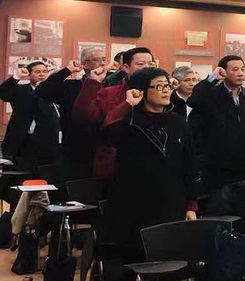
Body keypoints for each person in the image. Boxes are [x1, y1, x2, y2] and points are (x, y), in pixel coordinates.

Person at [99, 67, 200, 281]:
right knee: (137, 280)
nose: (166, 90)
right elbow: (107, 136)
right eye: (159, 86)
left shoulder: (178, 122)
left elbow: (189, 165)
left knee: (164, 276)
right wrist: (126, 106)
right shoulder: (130, 121)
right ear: (141, 91)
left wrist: (191, 204)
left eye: (168, 85)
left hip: (170, 209)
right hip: (133, 212)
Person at [72, 47, 155, 179]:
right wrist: (93, 82)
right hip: (116, 167)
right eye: (141, 64)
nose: (147, 68)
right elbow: (83, 117)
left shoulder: (161, 94)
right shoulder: (110, 93)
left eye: (151, 63)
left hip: (153, 166)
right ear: (126, 68)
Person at [187, 56, 245, 194]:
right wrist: (213, 78)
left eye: (242, 69)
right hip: (215, 165)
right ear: (223, 71)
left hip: (244, 165)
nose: (240, 73)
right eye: (235, 69)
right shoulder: (211, 94)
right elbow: (193, 100)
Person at [34, 48, 106, 184]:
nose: (102, 63)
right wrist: (67, 71)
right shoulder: (71, 86)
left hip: (103, 146)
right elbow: (42, 91)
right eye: (98, 60)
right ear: (85, 64)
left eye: (104, 60)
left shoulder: (110, 84)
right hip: (75, 147)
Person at [0, 61, 60, 175]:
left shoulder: (53, 92)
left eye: (45, 72)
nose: (42, 74)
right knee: (20, 175)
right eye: (38, 72)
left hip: (47, 142)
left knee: (44, 175)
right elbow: (3, 93)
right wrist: (16, 77)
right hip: (22, 141)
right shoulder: (20, 90)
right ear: (29, 74)